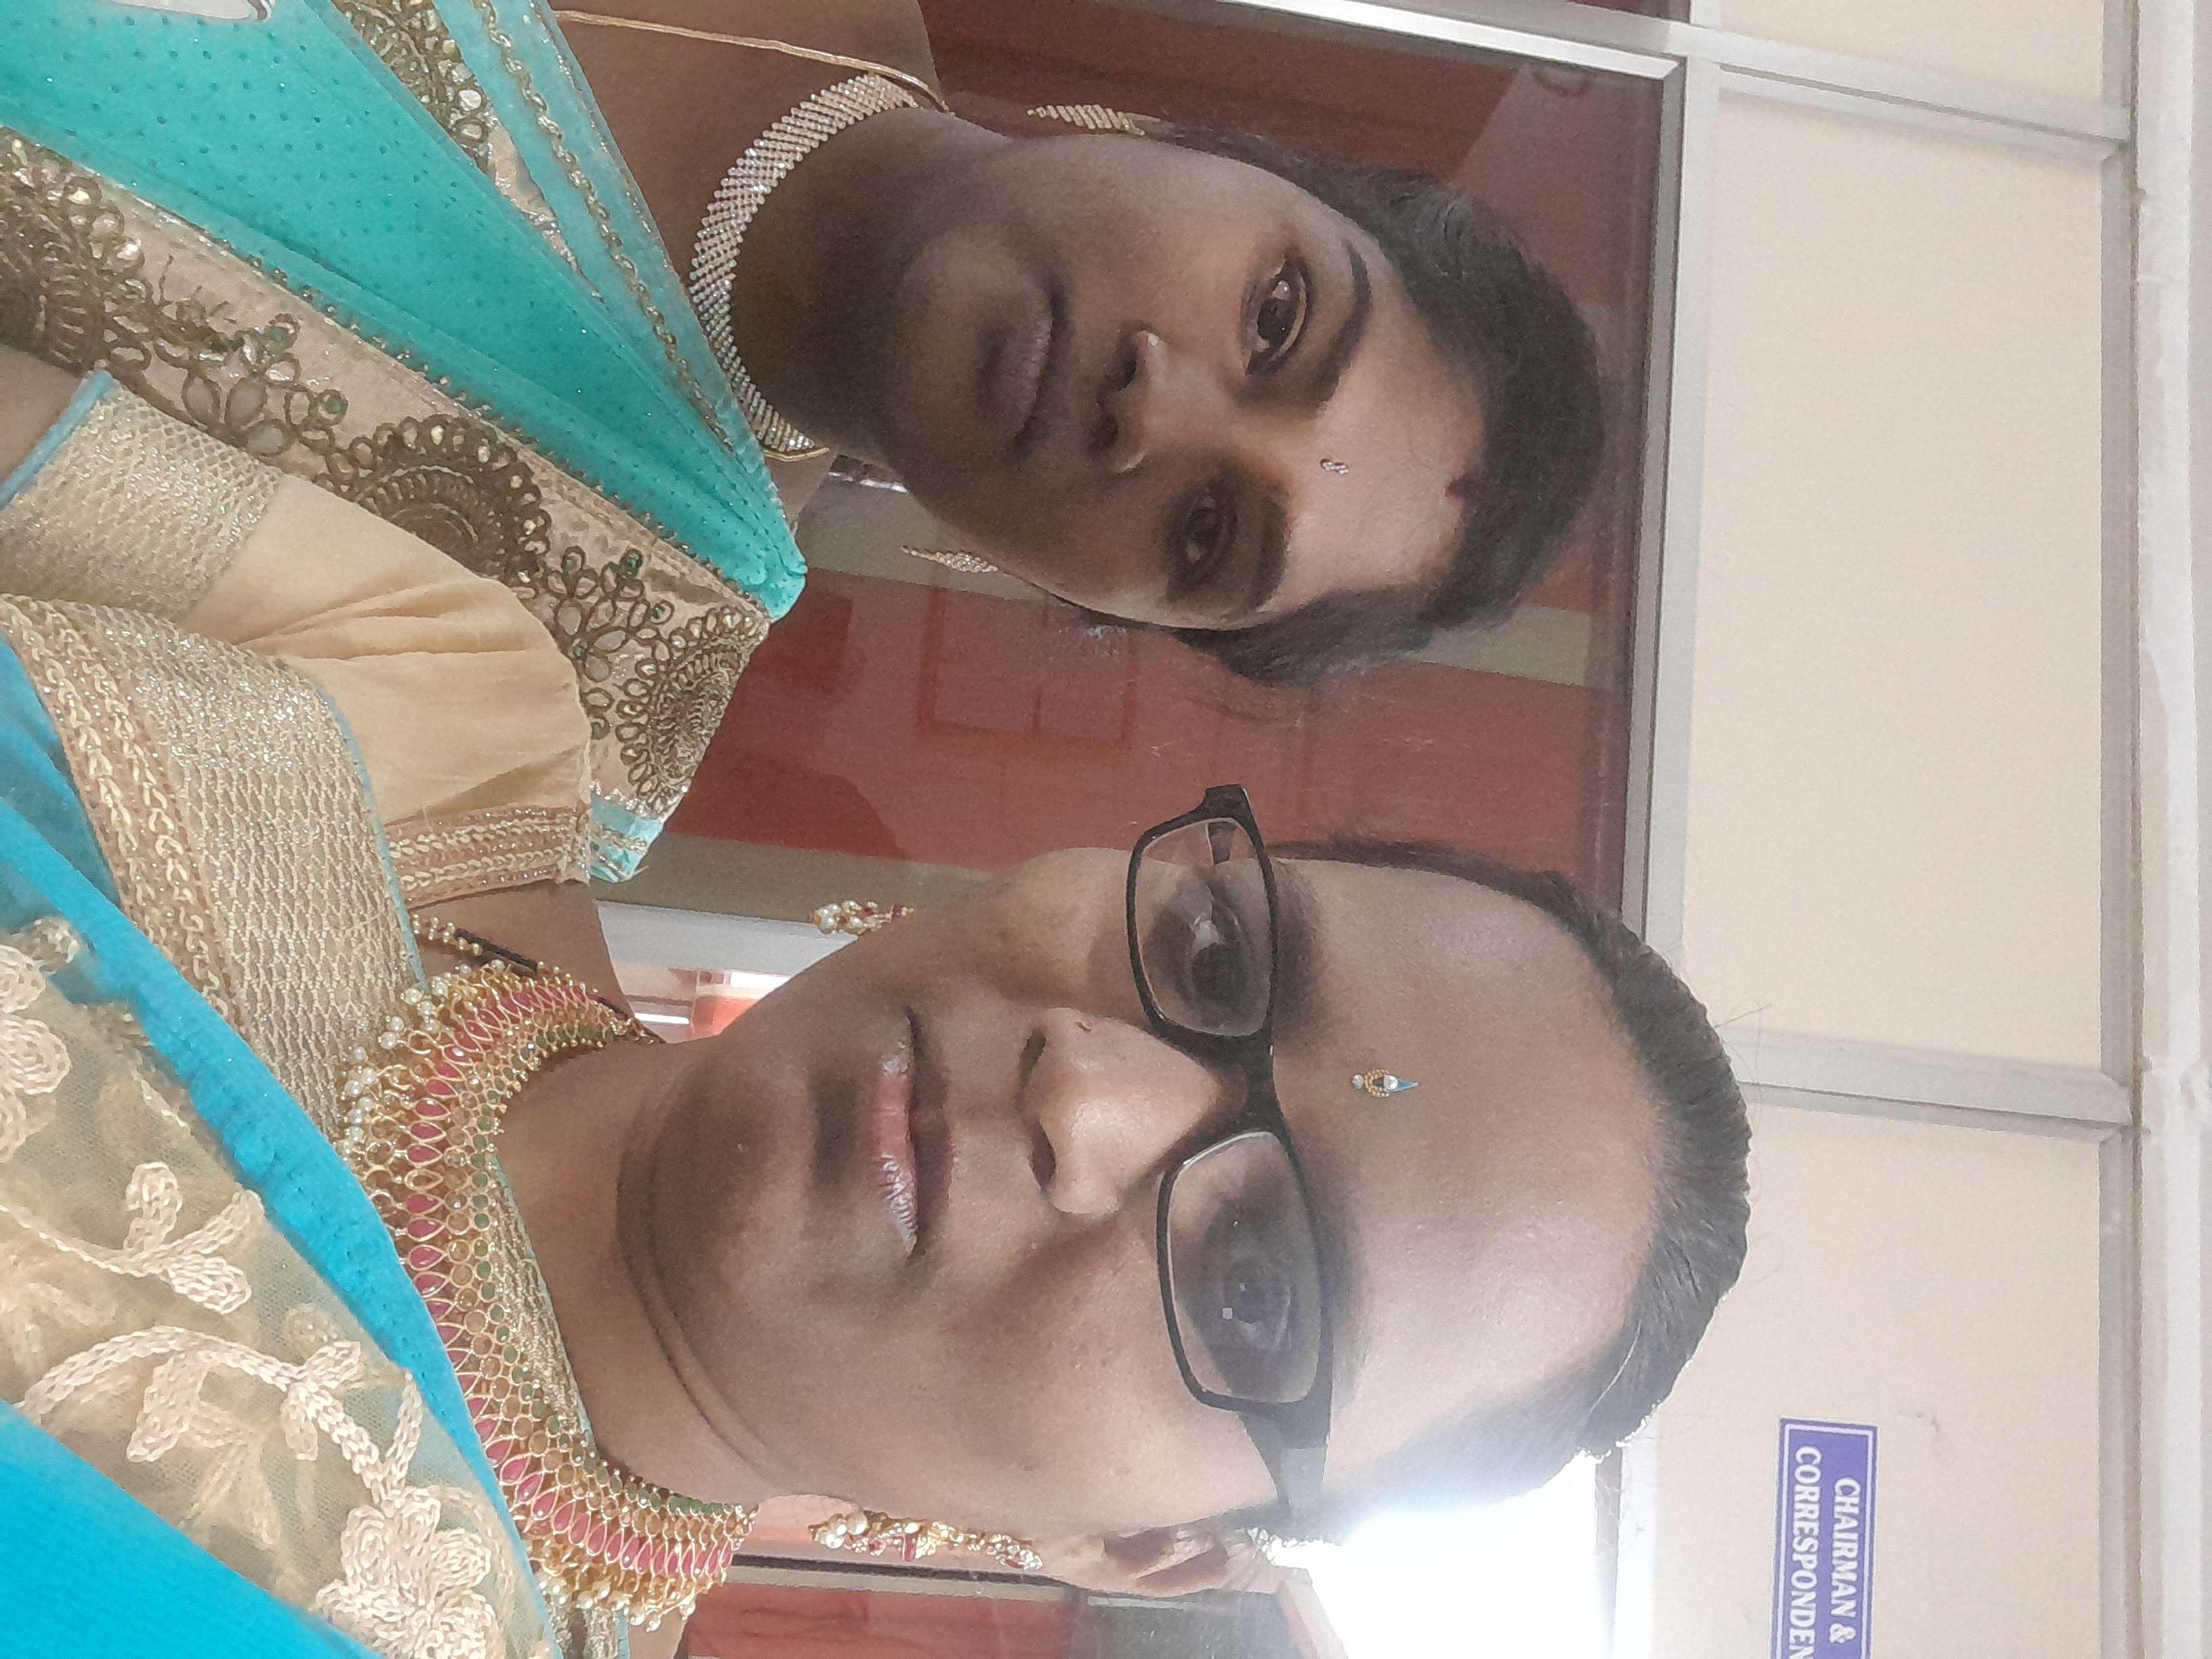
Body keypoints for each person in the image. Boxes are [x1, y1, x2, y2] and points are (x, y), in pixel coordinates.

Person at [0, 371, 1742, 1658]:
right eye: (1220, 963)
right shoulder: (436, 697)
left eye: (1254, 1286)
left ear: (1144, 1548)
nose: (1091, 1092)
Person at [0, 1, 1603, 786]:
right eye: (1277, 314)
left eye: (1206, 534)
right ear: (1224, 153)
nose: (1154, 414)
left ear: (1083, 606)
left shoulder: (585, 683)